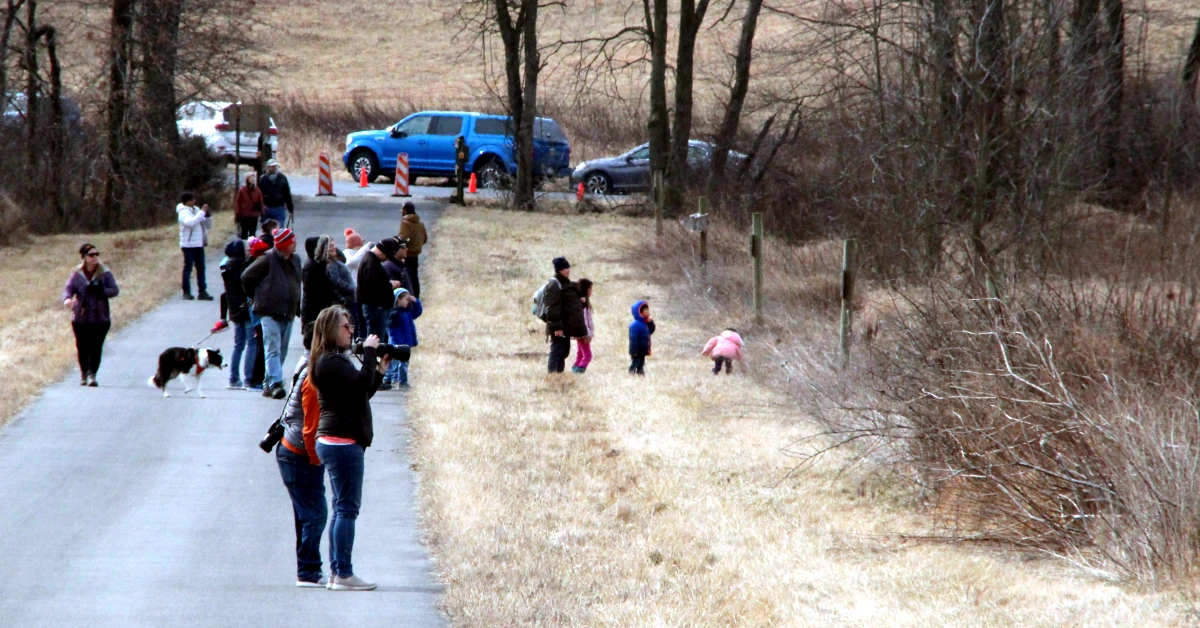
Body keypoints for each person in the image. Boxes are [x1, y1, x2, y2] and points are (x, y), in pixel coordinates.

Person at [311, 305, 391, 591]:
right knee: (346, 509)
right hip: (342, 442)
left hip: (337, 441)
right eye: (346, 326)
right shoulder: (330, 361)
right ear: (332, 328)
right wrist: (369, 352)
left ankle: (337, 573)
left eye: (351, 325)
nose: (352, 330)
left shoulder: (331, 360)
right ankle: (343, 573)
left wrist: (378, 371)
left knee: (341, 508)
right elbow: (358, 388)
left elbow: (360, 393)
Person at [276, 323, 328, 588]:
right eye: (345, 328)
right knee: (316, 513)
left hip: (295, 451)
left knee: (306, 513)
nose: (351, 333)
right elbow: (309, 427)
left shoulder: (309, 363)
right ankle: (308, 572)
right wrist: (316, 458)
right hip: (298, 452)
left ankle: (308, 569)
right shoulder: (314, 374)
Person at [242, 227, 302, 400]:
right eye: (292, 241)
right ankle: (276, 383)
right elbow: (246, 277)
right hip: (268, 311)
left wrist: (298, 307)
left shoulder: (295, 260)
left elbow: (297, 284)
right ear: (284, 244)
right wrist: (257, 296)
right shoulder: (267, 259)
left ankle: (268, 384)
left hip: (288, 311)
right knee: (272, 348)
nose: (295, 243)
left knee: (281, 351)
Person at [62, 243, 120, 386]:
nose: (95, 258)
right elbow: (68, 289)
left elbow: (115, 290)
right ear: (84, 257)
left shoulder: (104, 273)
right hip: (80, 317)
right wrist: (67, 299)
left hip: (101, 317)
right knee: (82, 346)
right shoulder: (77, 274)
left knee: (96, 346)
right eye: (91, 255)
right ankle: (84, 373)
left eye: (96, 254)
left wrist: (102, 291)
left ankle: (92, 374)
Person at [542, 257, 587, 373]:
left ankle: (559, 375)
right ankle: (552, 374)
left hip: (566, 325)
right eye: (564, 268)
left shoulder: (566, 283)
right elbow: (552, 308)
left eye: (568, 267)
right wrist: (557, 327)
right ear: (558, 270)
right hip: (558, 326)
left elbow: (569, 304)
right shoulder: (554, 284)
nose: (567, 270)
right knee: (557, 351)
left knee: (564, 351)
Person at [356, 237, 404, 342]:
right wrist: (390, 286)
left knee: (378, 339)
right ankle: (374, 358)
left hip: (374, 307)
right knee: (376, 341)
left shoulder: (371, 260)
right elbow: (375, 288)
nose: (386, 259)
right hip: (375, 308)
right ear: (383, 251)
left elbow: (375, 283)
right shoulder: (371, 264)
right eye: (387, 256)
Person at [219, 238, 252, 389]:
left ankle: (233, 378)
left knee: (238, 345)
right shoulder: (242, 267)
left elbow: (224, 295)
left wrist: (224, 316)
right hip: (245, 309)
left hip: (234, 309)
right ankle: (249, 378)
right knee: (252, 343)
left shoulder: (226, 267)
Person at [244, 237, 270, 392]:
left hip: (258, 312)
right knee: (259, 345)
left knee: (260, 345)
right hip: (257, 314)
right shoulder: (256, 269)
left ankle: (257, 378)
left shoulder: (257, 266)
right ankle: (254, 379)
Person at [177, 192, 214, 301]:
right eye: (192, 200)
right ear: (187, 201)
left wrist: (207, 216)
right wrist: (202, 213)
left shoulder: (197, 210)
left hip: (199, 243)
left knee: (201, 268)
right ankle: (186, 291)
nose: (194, 201)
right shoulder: (183, 212)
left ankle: (202, 291)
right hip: (188, 245)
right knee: (188, 268)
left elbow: (207, 225)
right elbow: (190, 223)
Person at [384, 288, 422, 389]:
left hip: (406, 344)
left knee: (403, 364)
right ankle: (397, 381)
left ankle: (400, 381)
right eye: (406, 299)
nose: (408, 302)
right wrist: (398, 344)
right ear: (398, 300)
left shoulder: (407, 312)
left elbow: (418, 312)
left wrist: (415, 301)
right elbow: (393, 332)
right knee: (397, 364)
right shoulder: (395, 314)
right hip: (399, 345)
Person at [343, 229, 370, 341]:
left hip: (361, 291)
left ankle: (362, 338)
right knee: (352, 317)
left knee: (362, 317)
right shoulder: (346, 254)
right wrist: (365, 248)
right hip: (351, 292)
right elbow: (352, 262)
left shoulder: (361, 254)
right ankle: (350, 338)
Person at [398, 202, 428, 298]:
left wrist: (401, 249)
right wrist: (417, 245)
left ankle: (408, 297)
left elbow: (403, 238)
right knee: (415, 277)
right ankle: (416, 296)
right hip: (416, 254)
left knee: (407, 276)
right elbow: (424, 238)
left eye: (402, 209)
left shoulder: (405, 223)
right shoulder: (420, 224)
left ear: (406, 210)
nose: (401, 211)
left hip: (407, 254)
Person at [259, 159, 294, 227]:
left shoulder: (282, 178)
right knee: (267, 231)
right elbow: (259, 195)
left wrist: (291, 209)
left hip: (279, 208)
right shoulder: (263, 179)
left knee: (279, 231)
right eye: (272, 166)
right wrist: (260, 207)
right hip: (267, 208)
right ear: (268, 167)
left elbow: (287, 194)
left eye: (275, 166)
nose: (274, 168)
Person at [571, 278, 595, 374]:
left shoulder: (582, 303)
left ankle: (575, 368)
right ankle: (579, 371)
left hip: (580, 332)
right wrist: (587, 334)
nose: (591, 291)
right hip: (582, 333)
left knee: (580, 353)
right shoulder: (583, 304)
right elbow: (584, 320)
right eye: (590, 288)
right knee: (587, 355)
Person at [628, 300, 655, 376]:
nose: (648, 312)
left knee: (641, 363)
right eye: (645, 310)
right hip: (637, 351)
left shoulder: (645, 323)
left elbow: (650, 331)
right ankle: (631, 372)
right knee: (635, 362)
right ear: (640, 312)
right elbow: (633, 340)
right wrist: (634, 352)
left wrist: (650, 322)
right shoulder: (635, 325)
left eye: (648, 310)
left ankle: (640, 373)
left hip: (643, 350)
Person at [234, 172, 264, 239]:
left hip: (254, 215)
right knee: (244, 233)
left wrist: (262, 213)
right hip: (244, 215)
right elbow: (237, 202)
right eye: (251, 178)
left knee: (252, 234)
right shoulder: (242, 190)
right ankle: (244, 247)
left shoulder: (257, 190)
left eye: (254, 177)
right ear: (247, 179)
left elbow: (261, 202)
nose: (253, 179)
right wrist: (237, 213)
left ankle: (252, 247)